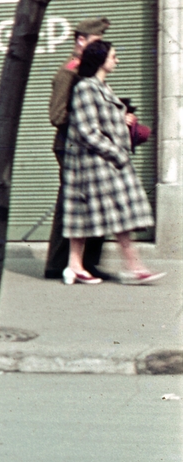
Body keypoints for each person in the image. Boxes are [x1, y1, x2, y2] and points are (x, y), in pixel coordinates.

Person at [63, 41, 162, 285]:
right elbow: (87, 130)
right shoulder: (86, 88)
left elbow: (103, 120)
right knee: (117, 214)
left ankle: (75, 266)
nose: (117, 60)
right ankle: (133, 267)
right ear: (101, 59)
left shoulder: (100, 87)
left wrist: (123, 118)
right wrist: (117, 154)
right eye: (114, 56)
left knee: (89, 214)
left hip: (104, 163)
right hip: (99, 163)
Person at [45, 17, 110, 281]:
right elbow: (57, 115)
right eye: (97, 41)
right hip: (70, 146)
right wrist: (90, 118)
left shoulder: (88, 71)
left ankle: (87, 262)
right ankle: (57, 264)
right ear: (81, 41)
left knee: (97, 202)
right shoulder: (69, 72)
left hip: (87, 146)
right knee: (71, 205)